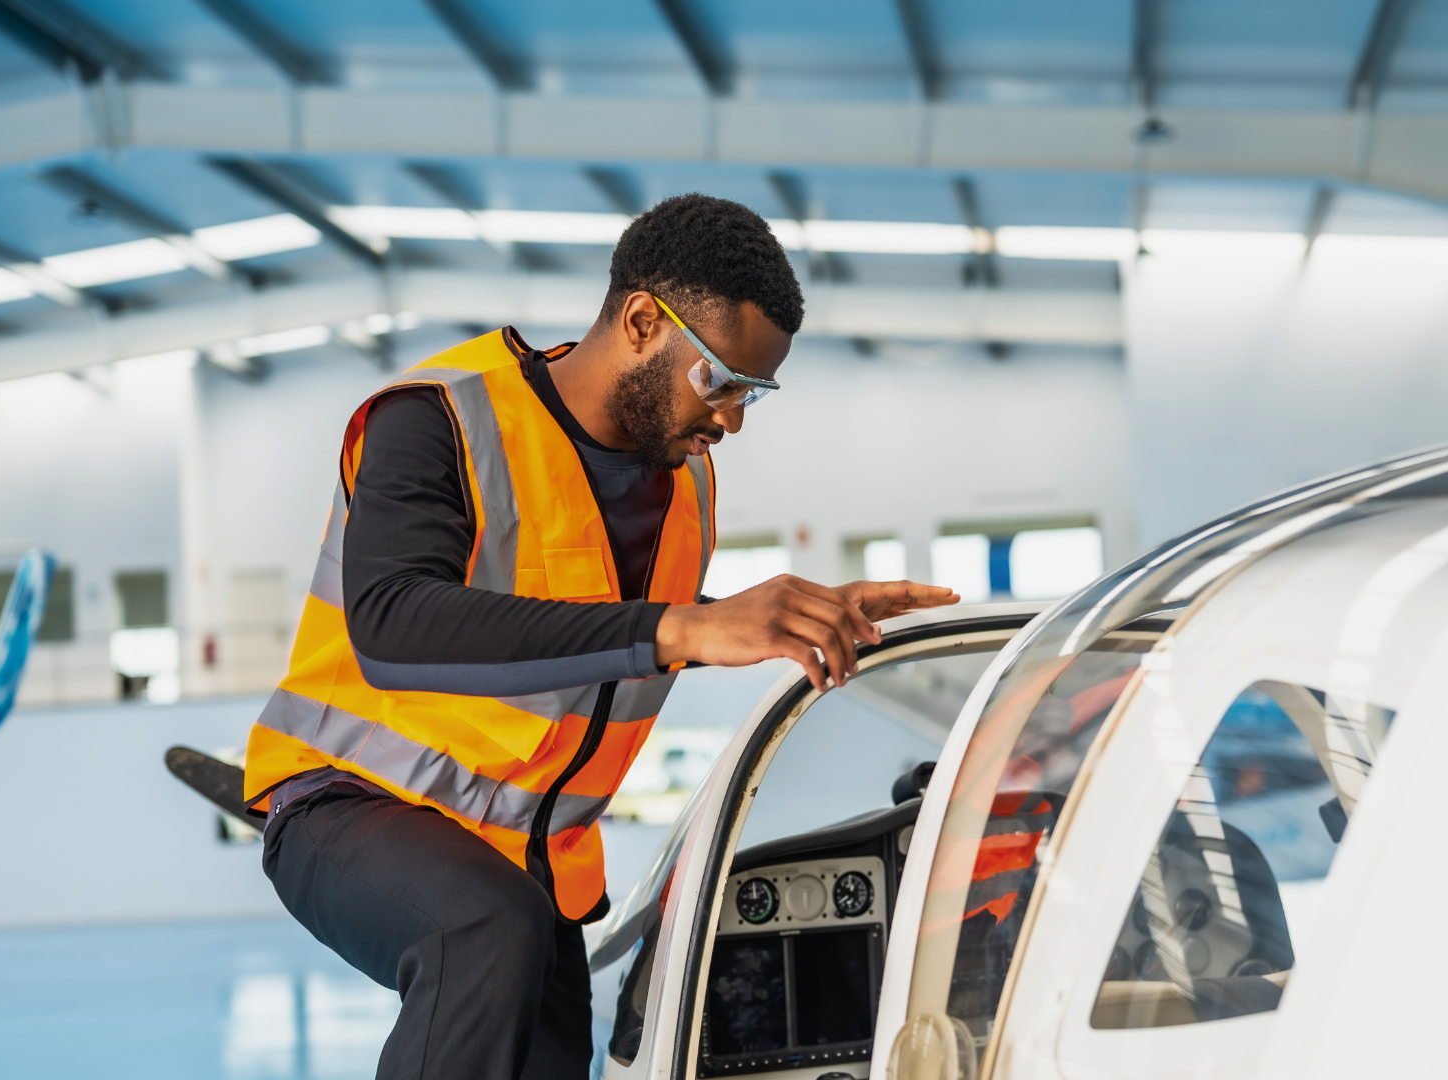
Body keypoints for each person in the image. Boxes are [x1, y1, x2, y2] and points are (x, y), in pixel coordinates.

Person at [240, 193, 956, 1080]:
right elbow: (391, 623)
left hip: (532, 863)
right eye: (722, 381)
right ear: (643, 320)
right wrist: (685, 625)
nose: (732, 419)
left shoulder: (685, 485)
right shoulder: (438, 419)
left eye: (753, 393)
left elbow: (604, 643)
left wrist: (765, 622)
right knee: (480, 931)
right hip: (350, 804)